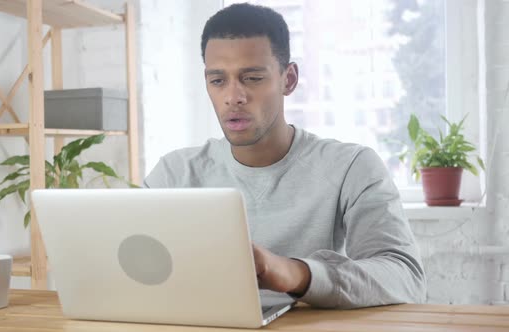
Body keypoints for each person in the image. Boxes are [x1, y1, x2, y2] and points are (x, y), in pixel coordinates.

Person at [143, 3, 426, 308]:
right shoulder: (173, 173)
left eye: (252, 78)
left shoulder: (351, 167)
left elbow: (406, 279)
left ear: (288, 79)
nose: (233, 97)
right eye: (218, 80)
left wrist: (295, 273)